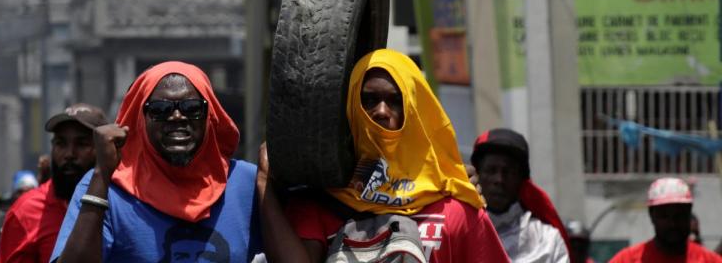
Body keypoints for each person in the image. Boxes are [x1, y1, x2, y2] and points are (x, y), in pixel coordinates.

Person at [258, 49, 509, 263]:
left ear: (413, 109)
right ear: (351, 108)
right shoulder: (321, 201)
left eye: (395, 101)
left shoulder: (457, 209)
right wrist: (264, 184)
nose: (381, 111)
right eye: (369, 100)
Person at [51, 62, 262, 262]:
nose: (177, 116)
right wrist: (101, 174)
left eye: (192, 107)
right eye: (160, 110)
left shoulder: (247, 183)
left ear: (210, 116)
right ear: (140, 121)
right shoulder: (106, 188)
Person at [0, 103, 107, 263]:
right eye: (61, 143)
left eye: (82, 144)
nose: (69, 154)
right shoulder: (25, 212)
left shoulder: (123, 205)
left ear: (106, 148)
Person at [471, 128, 570, 262]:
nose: (499, 180)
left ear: (521, 179)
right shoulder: (460, 231)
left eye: (508, 172)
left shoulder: (547, 240)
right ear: (477, 175)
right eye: (491, 170)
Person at [609, 178, 722, 263]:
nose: (672, 223)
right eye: (664, 216)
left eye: (679, 215)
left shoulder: (710, 260)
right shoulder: (627, 260)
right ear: (652, 216)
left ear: (689, 214)